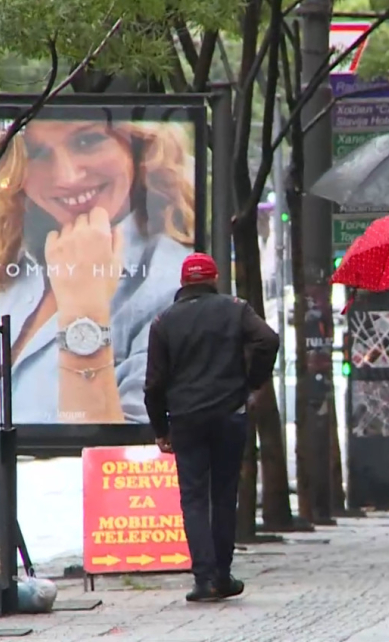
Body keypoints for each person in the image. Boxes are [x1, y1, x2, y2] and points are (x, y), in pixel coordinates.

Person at [0, 118, 196, 424]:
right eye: (35, 153)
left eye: (86, 142)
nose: (67, 176)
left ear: (139, 147)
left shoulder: (176, 286)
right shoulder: (15, 265)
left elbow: (130, 460)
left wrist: (83, 315)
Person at [144, 253, 279, 602]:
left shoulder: (165, 322)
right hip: (229, 413)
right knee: (223, 494)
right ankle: (223, 575)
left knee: (193, 496)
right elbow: (268, 339)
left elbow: (154, 384)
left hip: (186, 419)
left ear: (184, 282)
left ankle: (203, 579)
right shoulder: (236, 309)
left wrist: (161, 428)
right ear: (215, 278)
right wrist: (252, 382)